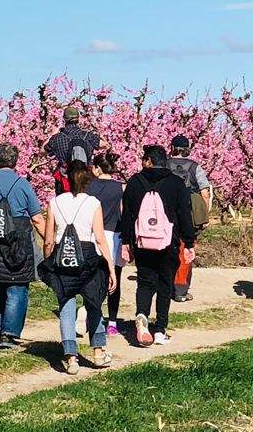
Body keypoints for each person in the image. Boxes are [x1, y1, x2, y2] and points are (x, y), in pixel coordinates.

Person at [40, 160, 114, 373]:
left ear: (67, 179)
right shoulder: (93, 203)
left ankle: (71, 358)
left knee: (66, 306)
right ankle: (98, 352)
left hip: (64, 257)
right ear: (87, 179)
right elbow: (100, 238)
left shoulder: (55, 202)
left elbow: (48, 239)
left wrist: (49, 261)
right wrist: (109, 266)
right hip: (89, 257)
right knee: (94, 303)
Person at [0, 141, 46, 352]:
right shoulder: (22, 184)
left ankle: (0, 326)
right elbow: (38, 219)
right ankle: (9, 333)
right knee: (18, 286)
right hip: (19, 242)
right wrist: (50, 241)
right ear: (16, 160)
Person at [119, 143, 196, 346]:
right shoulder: (176, 183)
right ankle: (160, 329)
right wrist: (188, 241)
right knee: (165, 284)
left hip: (142, 242)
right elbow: (184, 215)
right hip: (168, 242)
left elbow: (126, 215)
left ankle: (142, 316)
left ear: (148, 161)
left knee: (145, 282)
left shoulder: (135, 182)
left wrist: (126, 241)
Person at [166, 135, 214, 302]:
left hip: (166, 212)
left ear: (172, 147)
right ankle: (181, 289)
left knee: (166, 249)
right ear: (187, 148)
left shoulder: (164, 164)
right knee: (186, 248)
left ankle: (166, 286)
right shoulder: (195, 167)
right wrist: (204, 215)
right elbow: (205, 193)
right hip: (189, 214)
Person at [86, 149, 127, 323]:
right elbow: (124, 213)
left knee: (92, 277)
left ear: (97, 168)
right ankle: (112, 321)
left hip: (93, 235)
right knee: (115, 277)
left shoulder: (88, 187)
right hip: (115, 235)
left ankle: (90, 315)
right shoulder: (121, 188)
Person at [43, 104, 100, 194]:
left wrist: (52, 135)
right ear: (78, 119)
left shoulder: (57, 138)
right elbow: (103, 145)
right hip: (84, 180)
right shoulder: (89, 136)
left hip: (64, 182)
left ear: (64, 119)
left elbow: (42, 150)